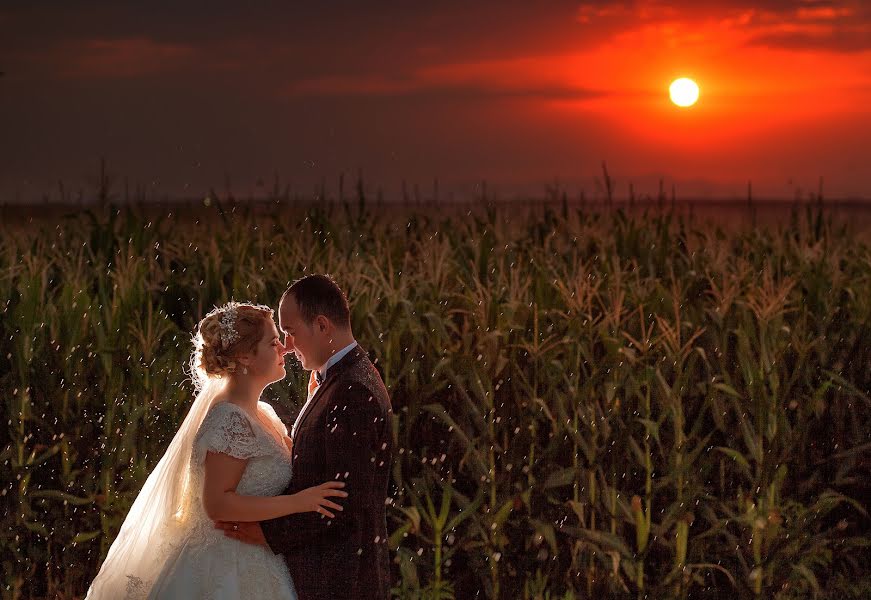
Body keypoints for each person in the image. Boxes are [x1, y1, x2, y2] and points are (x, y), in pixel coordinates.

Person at [86, 301, 347, 599]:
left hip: (258, 557)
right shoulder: (230, 419)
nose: (284, 348)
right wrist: (298, 503)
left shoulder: (263, 413)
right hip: (225, 565)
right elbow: (217, 505)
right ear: (245, 356)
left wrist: (315, 403)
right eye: (273, 341)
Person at [217, 274, 394, 600]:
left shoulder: (351, 389)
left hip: (342, 582)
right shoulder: (341, 379)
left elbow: (342, 503)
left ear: (323, 326)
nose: (286, 345)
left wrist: (266, 534)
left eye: (291, 332)